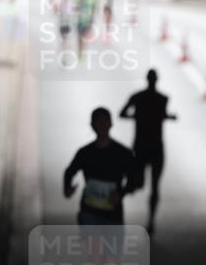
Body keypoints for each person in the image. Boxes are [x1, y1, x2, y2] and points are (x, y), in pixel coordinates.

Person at [119, 69, 177, 235]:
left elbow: (122, 113)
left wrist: (137, 116)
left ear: (147, 79)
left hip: (140, 145)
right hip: (156, 147)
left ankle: (116, 205)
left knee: (136, 183)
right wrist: (167, 117)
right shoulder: (163, 99)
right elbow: (163, 115)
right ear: (156, 80)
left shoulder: (137, 97)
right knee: (154, 186)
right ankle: (151, 221)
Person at [63, 107, 137, 225]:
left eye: (105, 121)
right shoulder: (85, 152)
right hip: (89, 213)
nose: (102, 125)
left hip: (112, 214)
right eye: (98, 122)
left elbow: (135, 179)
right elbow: (69, 171)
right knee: (92, 243)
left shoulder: (123, 154)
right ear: (92, 125)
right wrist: (67, 188)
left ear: (111, 124)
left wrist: (121, 193)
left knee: (111, 244)